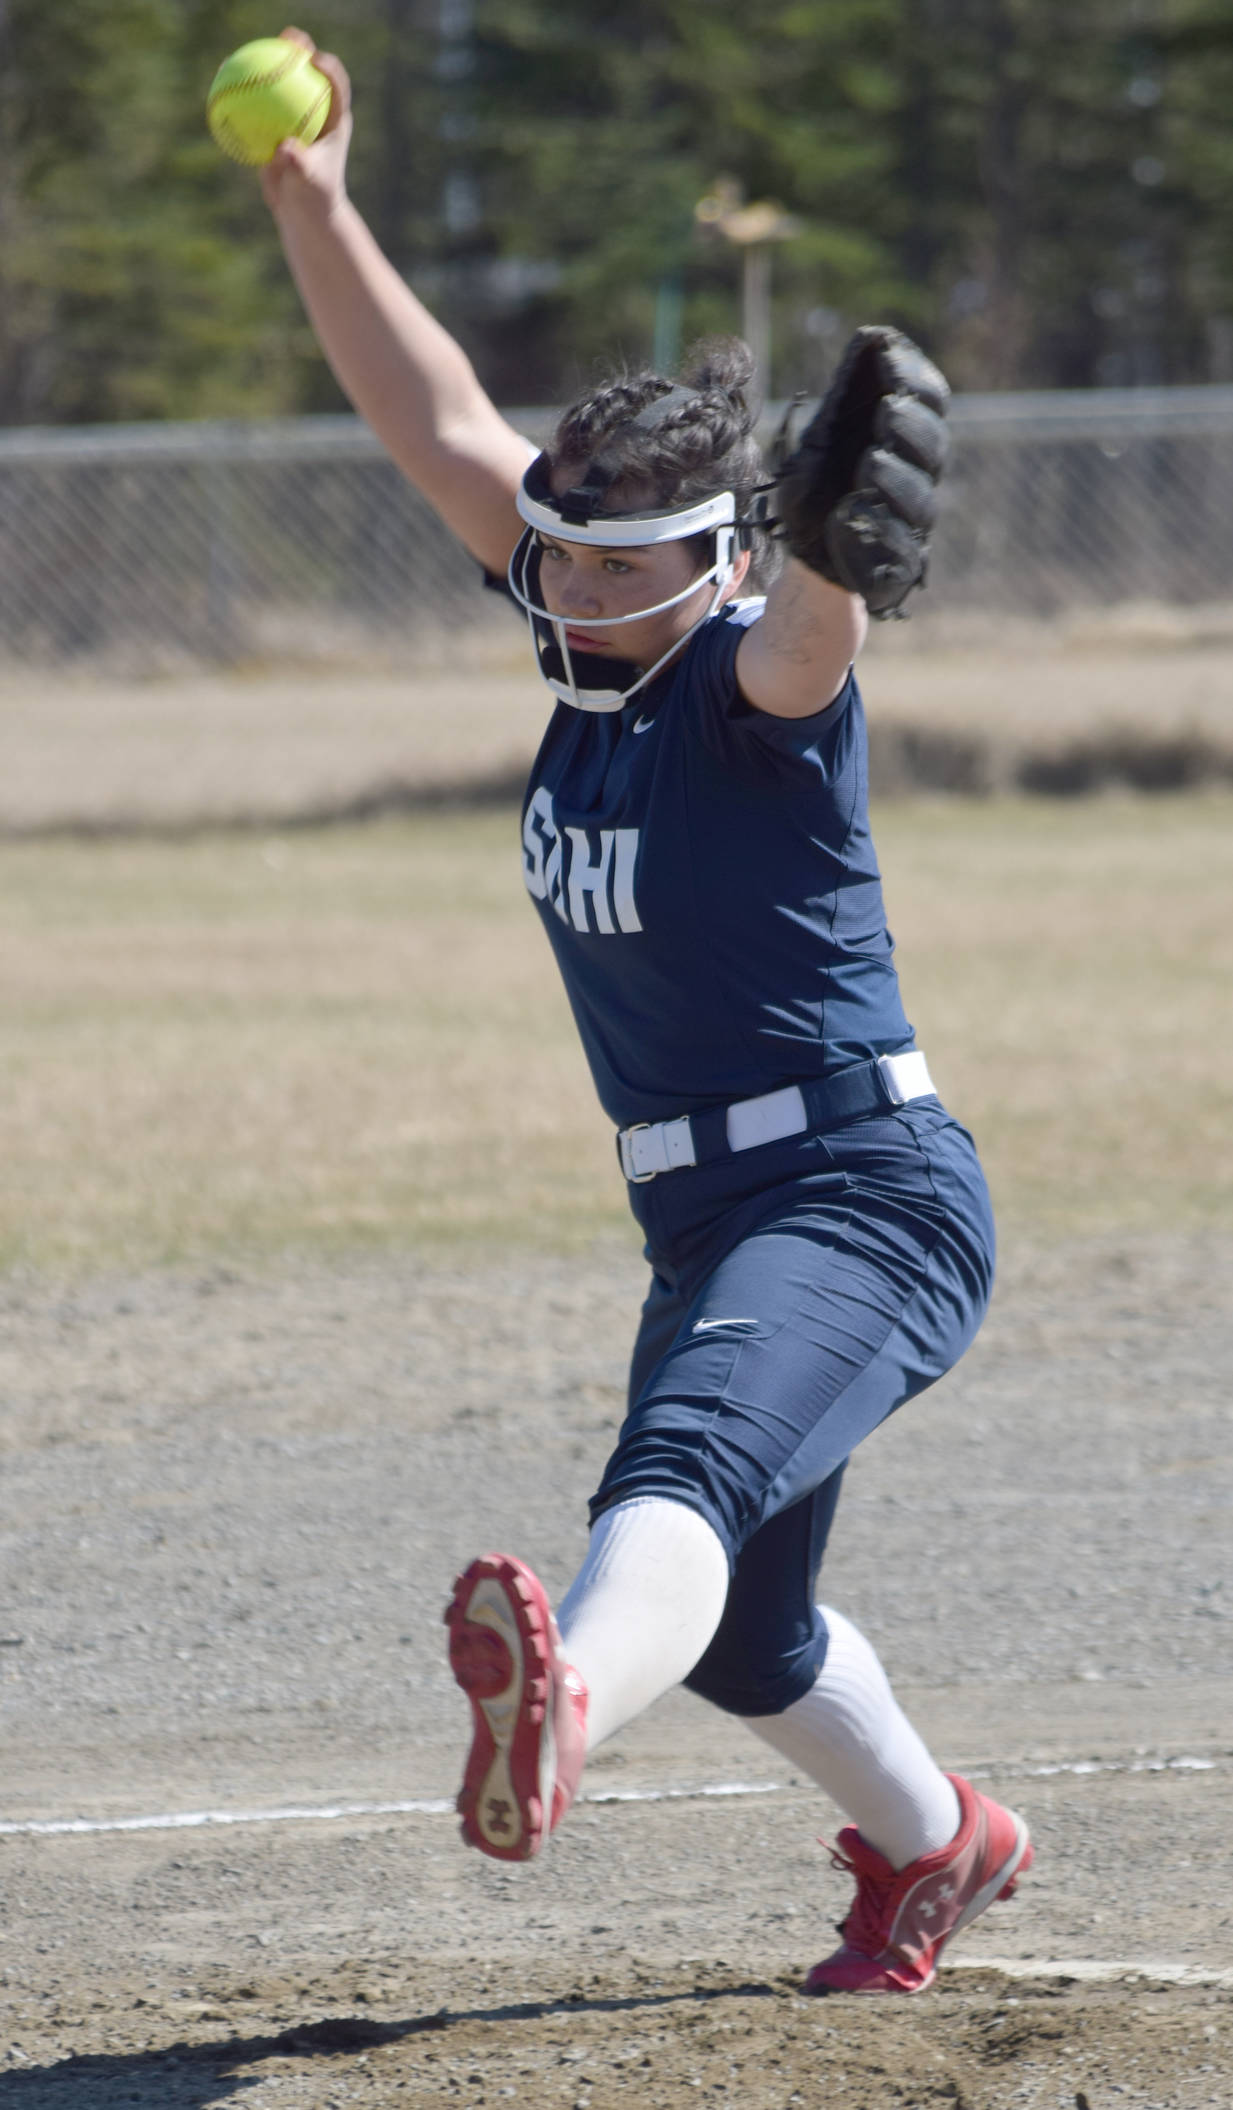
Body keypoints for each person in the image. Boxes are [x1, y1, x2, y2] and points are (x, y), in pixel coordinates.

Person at [260, 27, 1033, 1996]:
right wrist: (315, 204)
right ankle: (936, 1843)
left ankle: (558, 1714)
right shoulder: (589, 644)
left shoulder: (751, 691)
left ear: (715, 565)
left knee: (668, 1481)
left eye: (622, 563)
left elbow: (809, 636)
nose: (574, 589)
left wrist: (843, 574)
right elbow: (434, 420)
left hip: (861, 1191)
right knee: (758, 1631)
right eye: (563, 550)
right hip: (702, 1221)